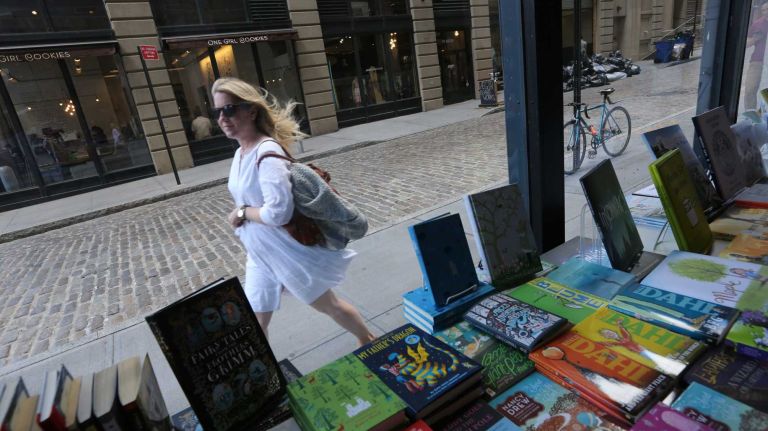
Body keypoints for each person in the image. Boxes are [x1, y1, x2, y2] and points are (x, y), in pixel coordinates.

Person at [212, 77, 375, 345]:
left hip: (287, 253)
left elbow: (279, 213)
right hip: (260, 255)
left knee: (329, 305)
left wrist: (242, 213)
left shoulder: (267, 153)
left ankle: (368, 340)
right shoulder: (241, 153)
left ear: (251, 110)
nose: (222, 118)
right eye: (217, 112)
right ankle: (264, 378)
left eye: (229, 109)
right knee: (255, 320)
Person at [745, 0, 768, 111]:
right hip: (757, 62)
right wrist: (755, 39)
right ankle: (750, 118)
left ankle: (764, 118)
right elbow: (746, 44)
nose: (766, 12)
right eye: (764, 10)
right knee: (750, 90)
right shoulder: (757, 24)